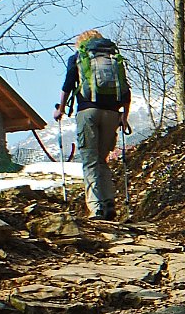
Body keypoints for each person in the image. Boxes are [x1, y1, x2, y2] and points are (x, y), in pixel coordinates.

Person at [54, 30, 132, 220]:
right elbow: (126, 91)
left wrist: (61, 109)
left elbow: (68, 85)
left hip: (88, 112)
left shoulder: (79, 57)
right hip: (113, 113)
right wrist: (124, 117)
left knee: (90, 160)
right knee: (102, 159)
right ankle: (109, 203)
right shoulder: (113, 59)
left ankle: (96, 207)